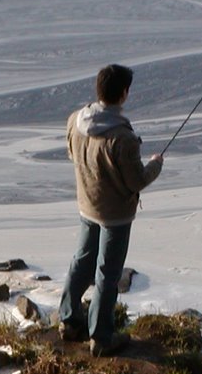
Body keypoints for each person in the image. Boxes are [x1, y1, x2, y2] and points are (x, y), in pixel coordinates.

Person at [58, 63, 164, 356]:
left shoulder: (74, 120)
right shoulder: (123, 139)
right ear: (124, 94)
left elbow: (72, 154)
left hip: (86, 204)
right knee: (108, 273)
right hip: (115, 215)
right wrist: (156, 164)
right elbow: (137, 181)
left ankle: (69, 320)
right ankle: (102, 338)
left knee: (82, 260)